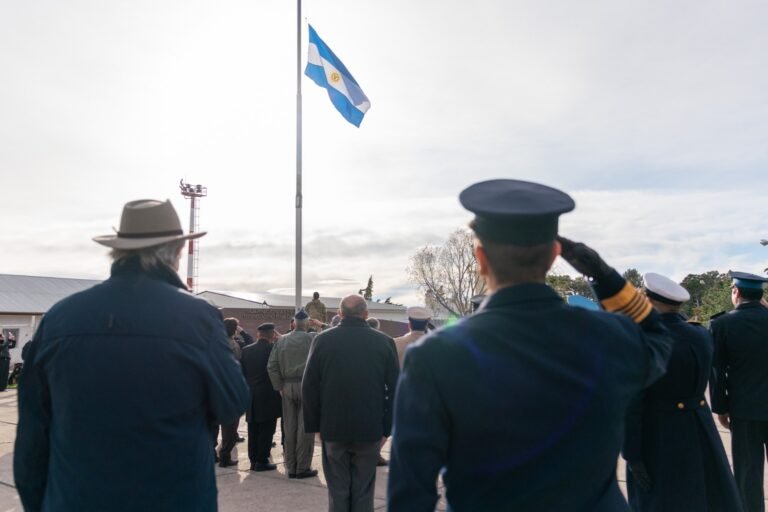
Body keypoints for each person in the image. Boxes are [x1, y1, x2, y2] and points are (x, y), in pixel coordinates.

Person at [387, 179, 673, 512]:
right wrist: (602, 275)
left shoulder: (434, 355)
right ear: (554, 257)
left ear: (480, 258)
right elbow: (659, 336)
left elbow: (411, 491)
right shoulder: (610, 336)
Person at [14, 199, 249, 511]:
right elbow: (232, 401)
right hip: (174, 498)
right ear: (176, 252)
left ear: (118, 251)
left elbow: (32, 435)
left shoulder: (60, 317)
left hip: (75, 499)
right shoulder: (197, 317)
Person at [623, 273, 741, 511]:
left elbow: (632, 404)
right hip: (699, 428)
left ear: (647, 299)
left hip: (658, 435)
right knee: (704, 497)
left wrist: (632, 453)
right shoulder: (700, 335)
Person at [303, 295, 400, 512]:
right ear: (366, 314)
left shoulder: (322, 340)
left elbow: (309, 386)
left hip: (333, 428)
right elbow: (396, 389)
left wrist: (315, 426)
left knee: (337, 490)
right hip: (370, 428)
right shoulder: (384, 342)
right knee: (363, 491)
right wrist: (387, 428)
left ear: (339, 314)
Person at [710, 271, 768, 512]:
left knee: (748, 474)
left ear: (736, 292)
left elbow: (716, 371)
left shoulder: (721, 324)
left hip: (744, 410)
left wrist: (720, 409)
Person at [267, 308, 318, 479]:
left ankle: (291, 466)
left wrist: (279, 386)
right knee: (305, 428)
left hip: (287, 386)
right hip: (307, 386)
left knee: (289, 427)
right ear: (307, 323)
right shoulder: (313, 338)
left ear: (294, 323)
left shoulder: (281, 341)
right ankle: (302, 467)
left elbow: (271, 366)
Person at [241, 322, 283, 472]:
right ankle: (261, 460)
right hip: (268, 395)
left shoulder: (246, 350)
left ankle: (253, 459)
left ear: (258, 334)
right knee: (266, 429)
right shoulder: (273, 350)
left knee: (253, 428)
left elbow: (242, 373)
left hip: (251, 394)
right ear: (272, 335)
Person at [217, 317, 245, 467]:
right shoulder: (233, 345)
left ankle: (214, 453)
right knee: (230, 426)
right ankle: (225, 456)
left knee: (215, 424)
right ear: (234, 329)